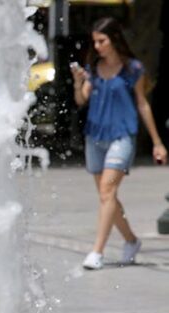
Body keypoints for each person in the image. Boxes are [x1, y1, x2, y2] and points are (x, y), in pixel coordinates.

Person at [71, 17, 167, 270]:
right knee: (107, 196)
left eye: (101, 41)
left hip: (122, 136)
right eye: (95, 42)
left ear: (114, 39)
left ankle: (97, 252)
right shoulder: (94, 67)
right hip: (95, 137)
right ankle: (131, 241)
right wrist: (78, 82)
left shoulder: (132, 69)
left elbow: (142, 104)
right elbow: (81, 100)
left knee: (107, 193)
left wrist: (157, 142)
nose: (98, 46)